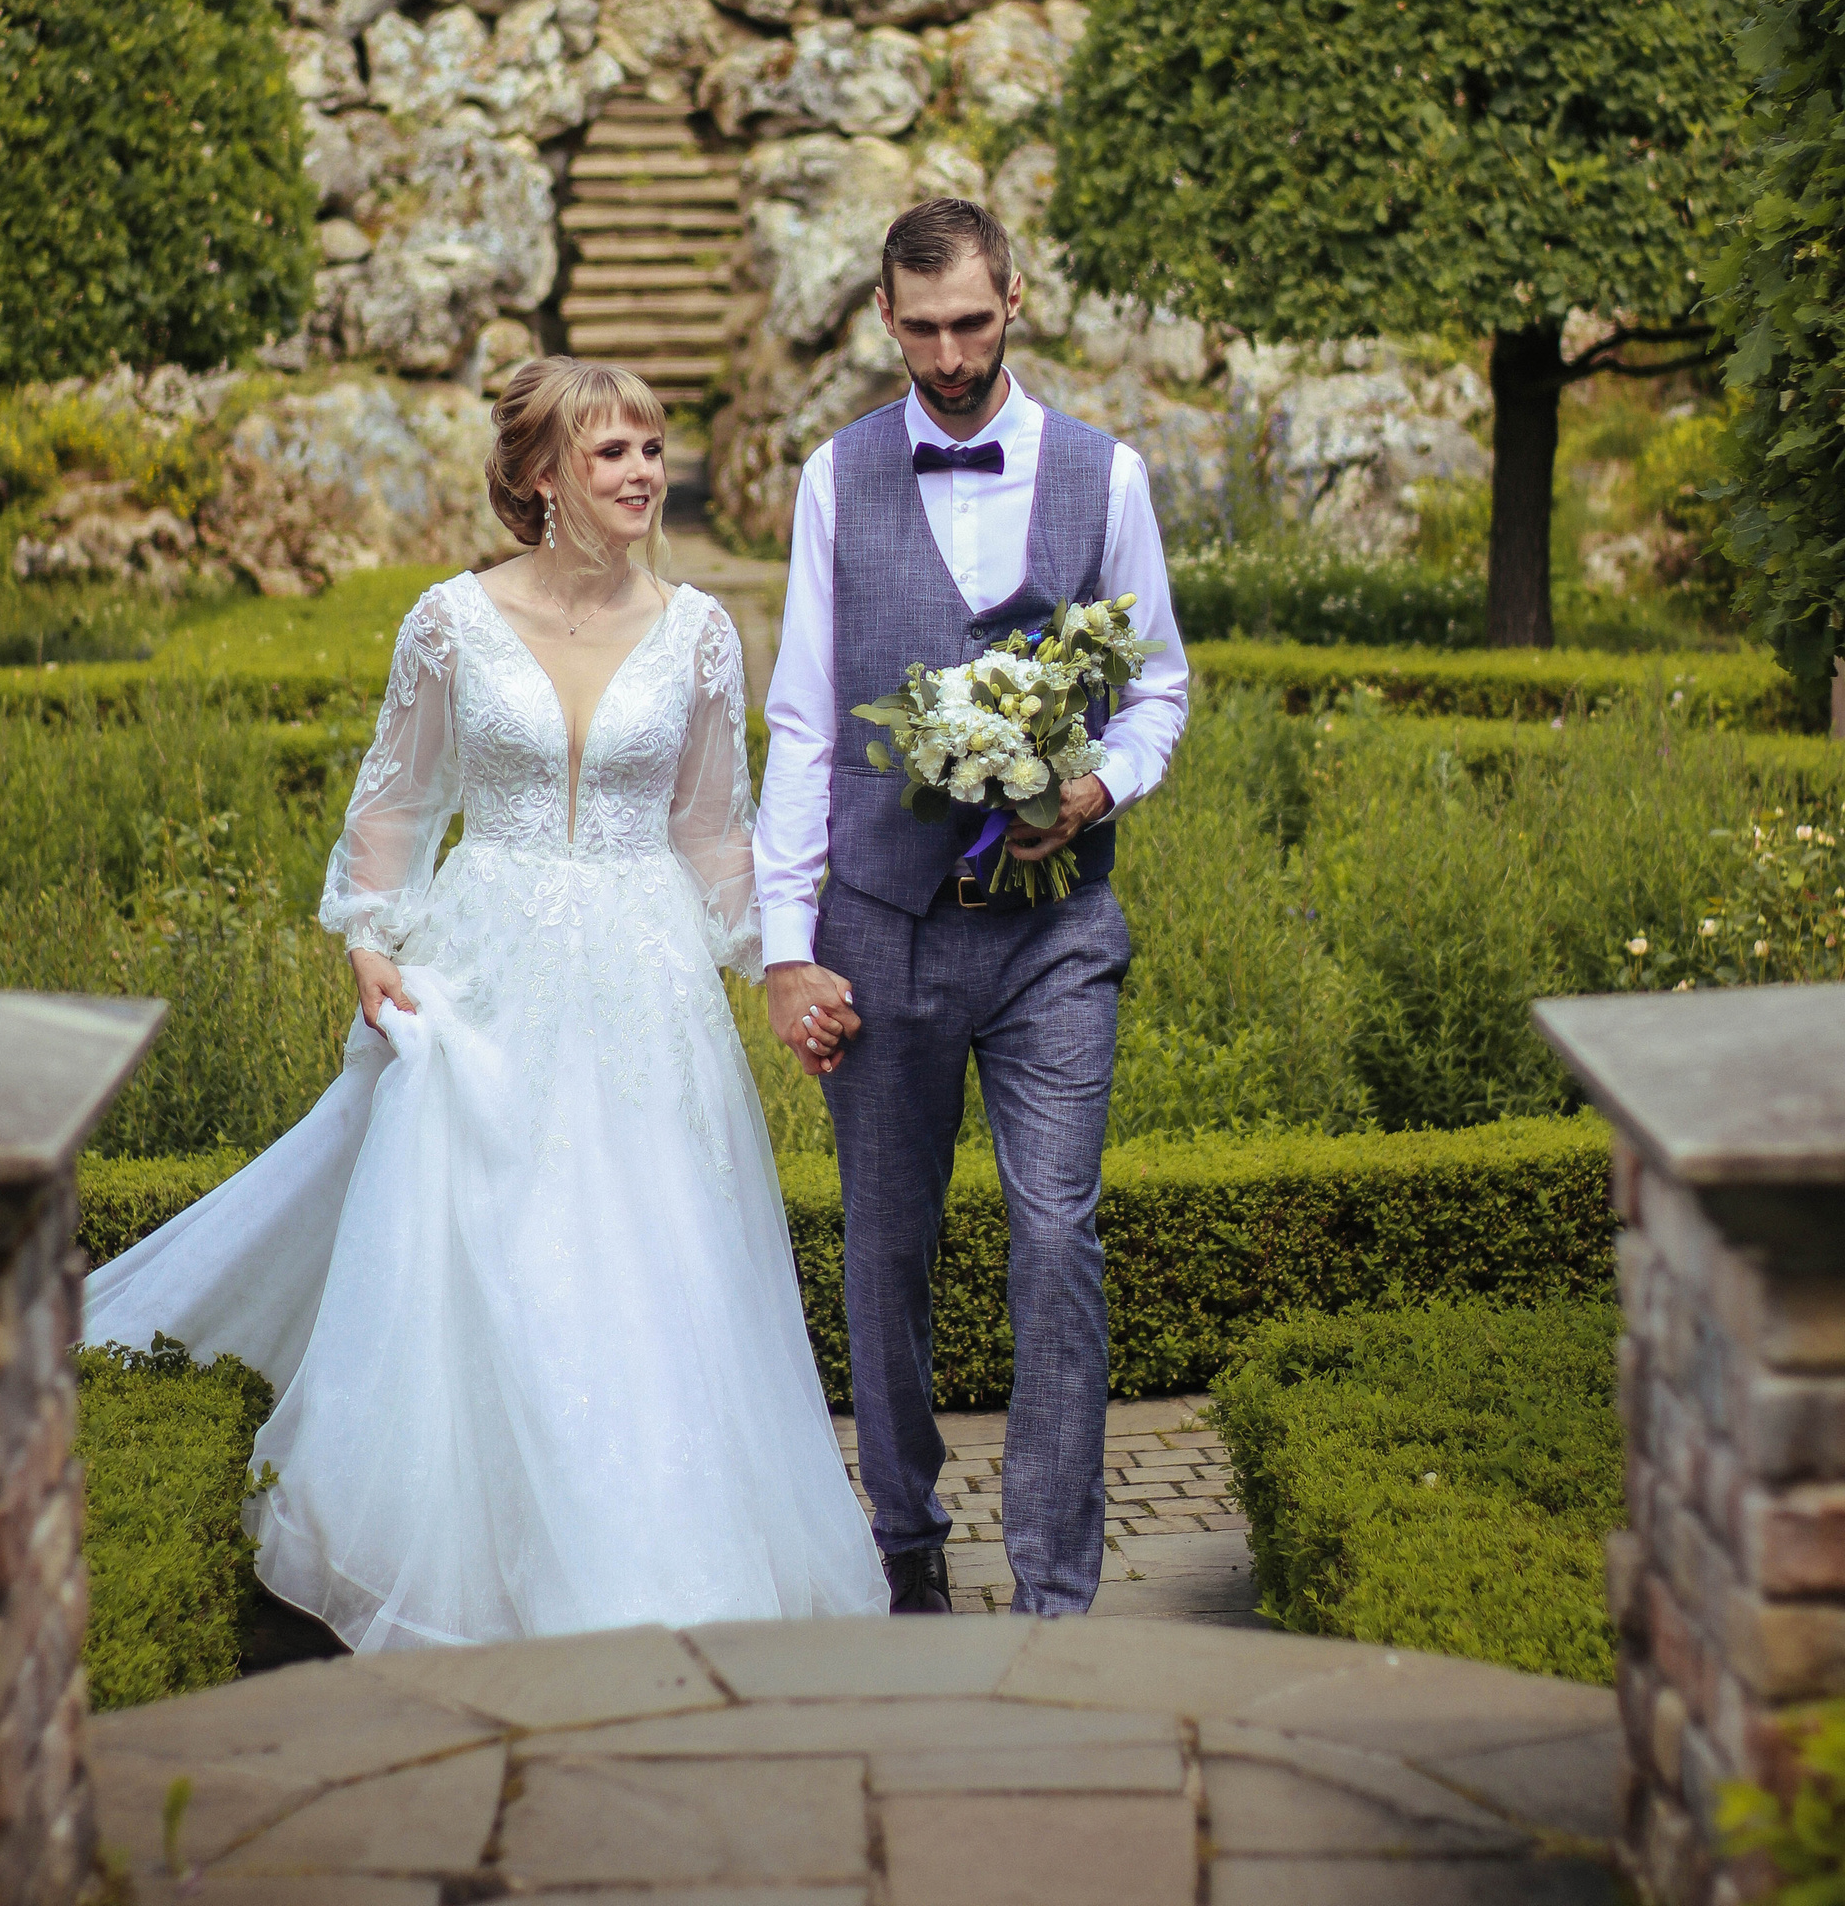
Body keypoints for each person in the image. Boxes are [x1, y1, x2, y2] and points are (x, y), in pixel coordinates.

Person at [86, 358, 887, 1651]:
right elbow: (397, 799)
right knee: (493, 1254)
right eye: (614, 452)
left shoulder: (697, 632)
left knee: (649, 1260)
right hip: (487, 972)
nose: (644, 473)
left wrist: (782, 965)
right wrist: (371, 938)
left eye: (652, 449)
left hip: (643, 988)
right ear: (542, 475)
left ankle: (655, 1561)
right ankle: (480, 1565)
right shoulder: (449, 620)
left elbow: (711, 831)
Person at [755, 199, 1190, 1619]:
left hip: (1054, 935)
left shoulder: (1107, 476)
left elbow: (1160, 686)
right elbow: (805, 724)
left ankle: (1060, 1591)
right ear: (885, 317)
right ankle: (906, 1540)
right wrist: (784, 948)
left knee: (1057, 1236)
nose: (948, 357)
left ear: (1016, 301)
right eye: (922, 328)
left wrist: (1101, 786)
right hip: (882, 927)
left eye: (972, 323)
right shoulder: (835, 478)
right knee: (887, 1247)